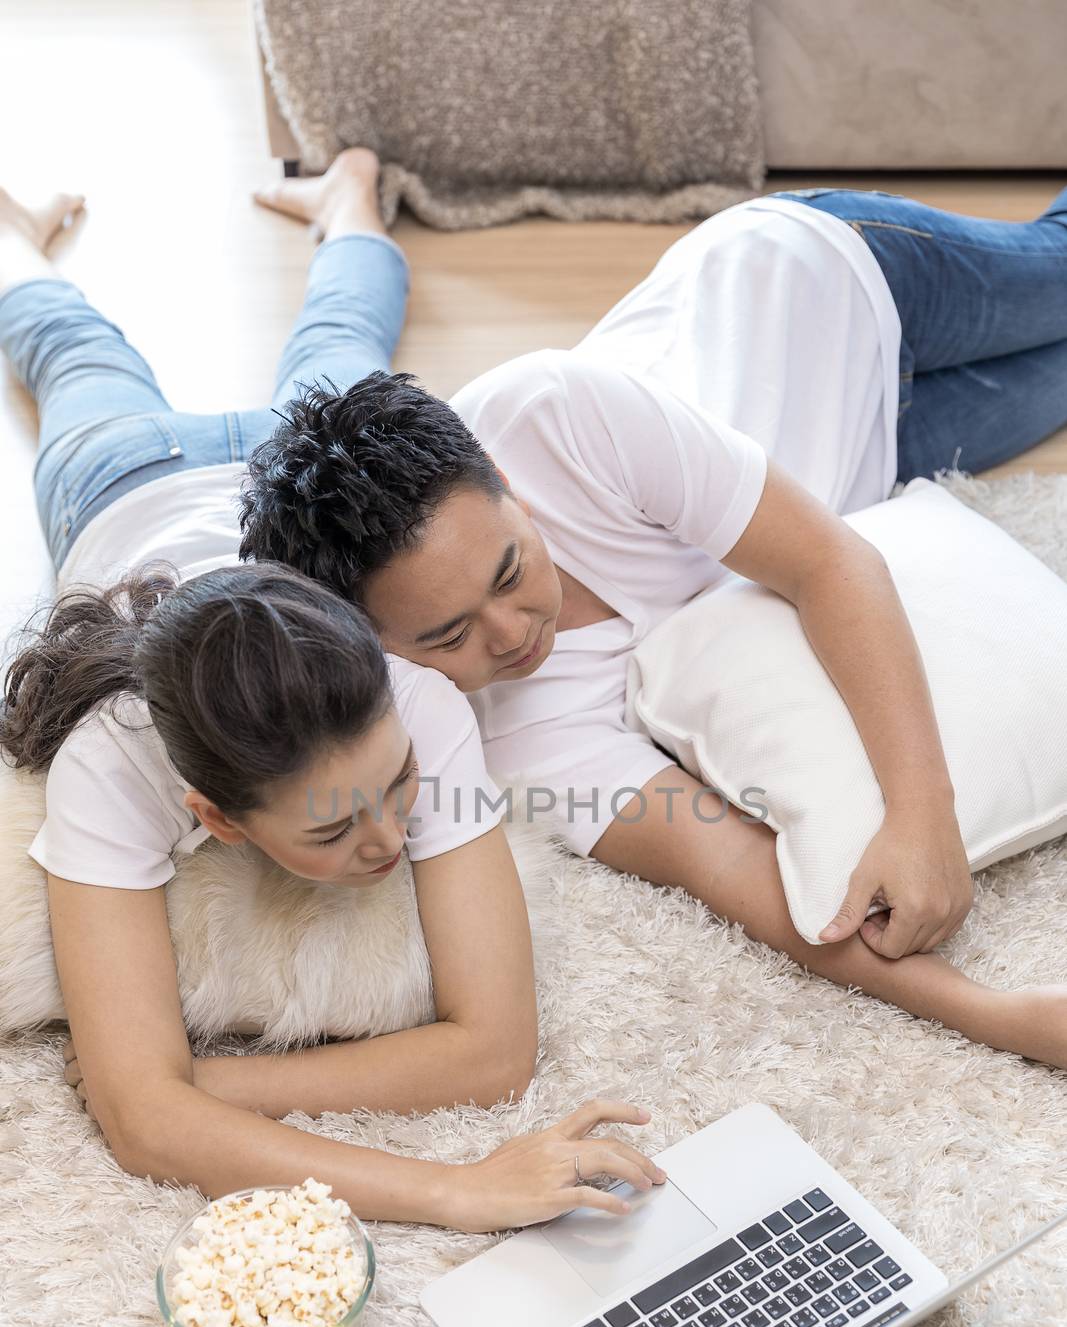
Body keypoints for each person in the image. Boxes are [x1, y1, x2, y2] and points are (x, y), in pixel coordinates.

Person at [238, 182, 1067, 1069]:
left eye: (511, 571)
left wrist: (919, 815)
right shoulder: (514, 740)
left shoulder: (553, 411)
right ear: (381, 645)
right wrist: (999, 1016)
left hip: (828, 282)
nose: (511, 632)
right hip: (875, 445)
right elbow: (725, 864)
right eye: (447, 637)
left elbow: (828, 564)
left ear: (506, 489)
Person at [0, 154, 667, 1231]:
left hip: (271, 487)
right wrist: (455, 1187)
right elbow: (137, 1127)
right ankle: (14, 229)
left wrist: (192, 1088)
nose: (388, 840)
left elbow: (495, 1049)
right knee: (76, 355)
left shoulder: (408, 698)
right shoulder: (115, 758)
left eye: (394, 786)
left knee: (338, 349)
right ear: (212, 817)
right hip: (123, 481)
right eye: (331, 827)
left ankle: (346, 198)